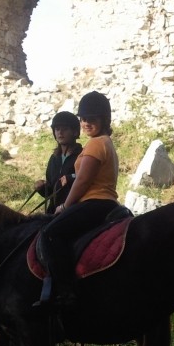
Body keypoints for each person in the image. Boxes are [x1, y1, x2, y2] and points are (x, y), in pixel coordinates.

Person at [36, 91, 120, 308]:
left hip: (96, 201)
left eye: (91, 118)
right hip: (104, 201)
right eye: (83, 118)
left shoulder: (94, 144)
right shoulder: (104, 142)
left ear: (103, 119)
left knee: (50, 234)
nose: (86, 123)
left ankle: (65, 292)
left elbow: (82, 181)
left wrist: (65, 205)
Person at [35, 111, 82, 212]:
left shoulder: (82, 156)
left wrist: (70, 178)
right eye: (57, 129)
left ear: (75, 132)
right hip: (54, 212)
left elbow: (85, 180)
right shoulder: (54, 159)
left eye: (65, 129)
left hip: (73, 210)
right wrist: (42, 188)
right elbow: (52, 192)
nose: (60, 132)